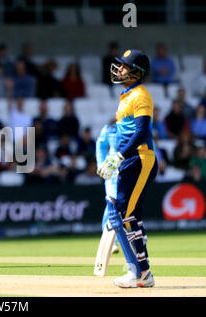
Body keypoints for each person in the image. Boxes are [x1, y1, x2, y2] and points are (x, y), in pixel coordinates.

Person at [97, 49, 157, 288]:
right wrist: (115, 157)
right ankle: (142, 271)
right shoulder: (126, 95)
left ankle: (140, 272)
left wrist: (119, 156)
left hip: (140, 158)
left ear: (136, 72)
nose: (119, 69)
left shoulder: (140, 94)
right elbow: (127, 134)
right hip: (130, 159)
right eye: (119, 65)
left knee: (125, 214)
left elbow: (142, 131)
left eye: (124, 66)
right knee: (131, 215)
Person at [95, 121, 119, 254]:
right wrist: (101, 163)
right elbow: (100, 144)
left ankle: (133, 238)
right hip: (112, 170)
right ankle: (110, 240)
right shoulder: (110, 128)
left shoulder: (135, 125)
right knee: (112, 202)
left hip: (129, 169)